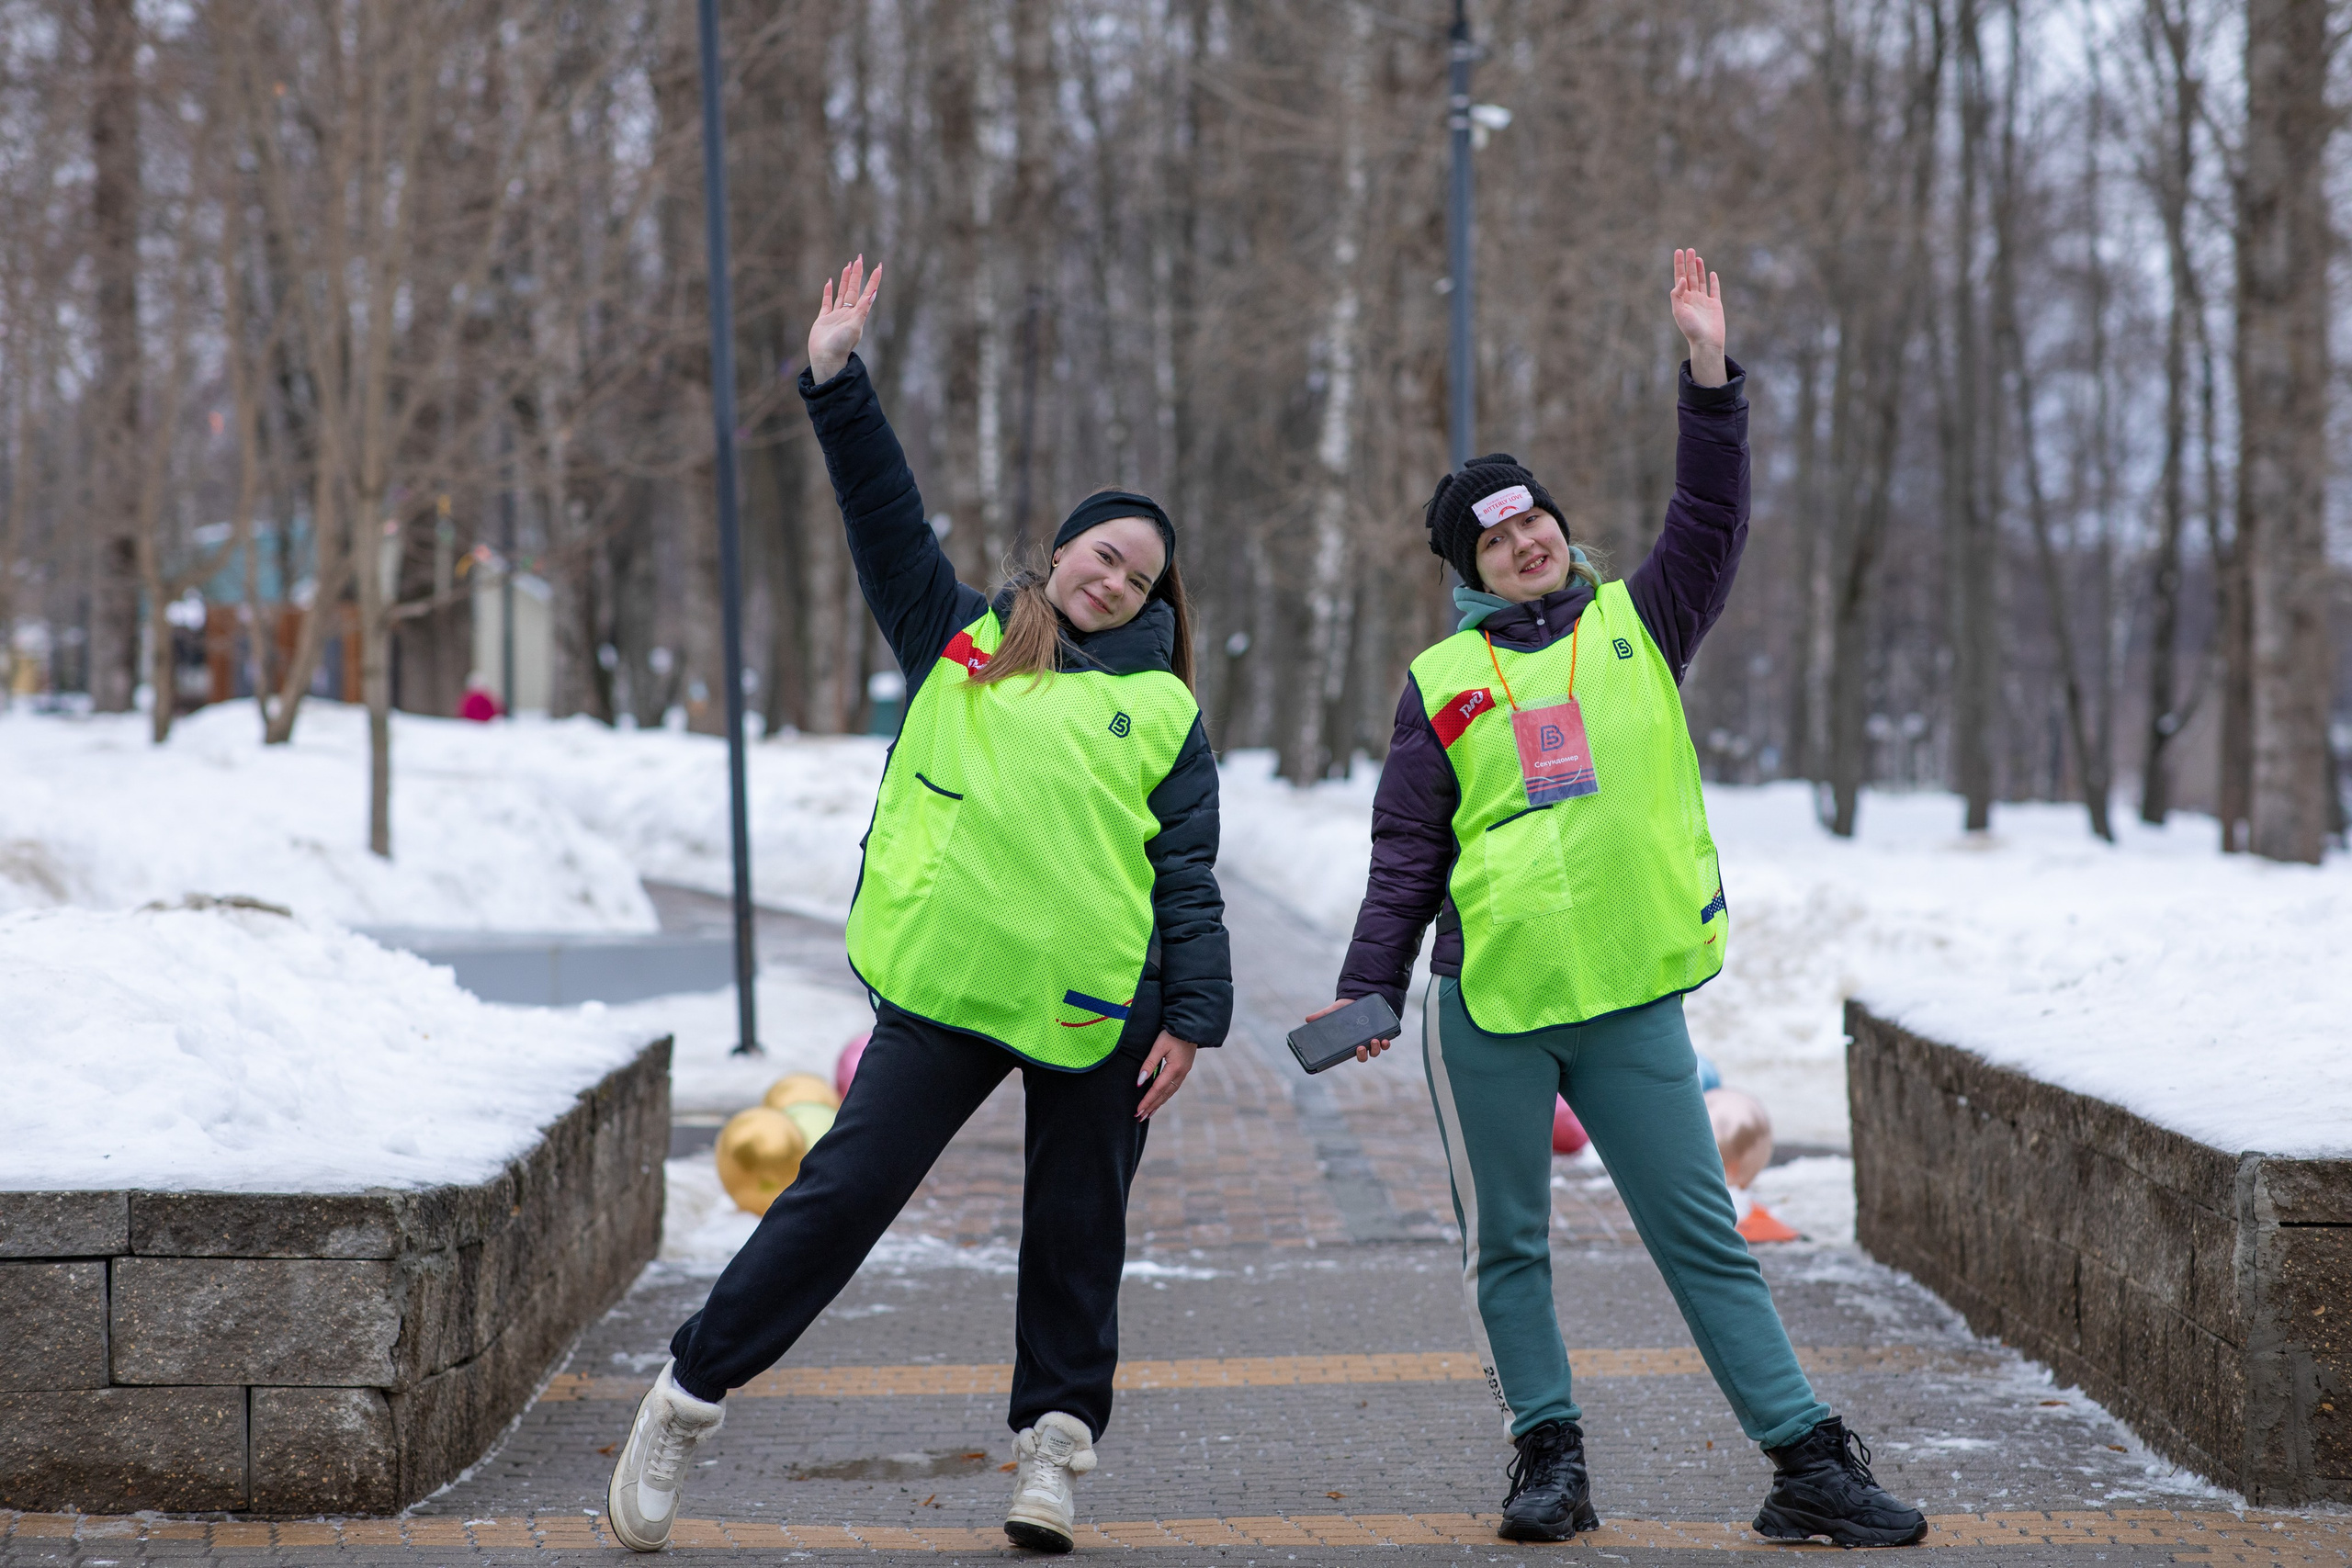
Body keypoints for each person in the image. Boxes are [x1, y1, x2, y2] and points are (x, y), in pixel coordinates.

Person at [605, 258, 1231, 1556]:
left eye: (1140, 579)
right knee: (837, 1200)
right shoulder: (957, 639)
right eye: (1103, 555)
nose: (1113, 582)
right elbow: (883, 516)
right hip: (949, 982)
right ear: (1060, 551)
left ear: (1157, 606)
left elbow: (1184, 873)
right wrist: (838, 379)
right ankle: (686, 1398)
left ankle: (1053, 1454)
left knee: (1075, 1234)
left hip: (1102, 1005)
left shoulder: (1163, 710)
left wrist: (1195, 1017)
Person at [1306, 250, 1927, 1550]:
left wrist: (1709, 375)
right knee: (1509, 1248)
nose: (1526, 539)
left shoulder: (1643, 622)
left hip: (1634, 997)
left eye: (1535, 519)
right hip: (1494, 1004)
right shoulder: (1442, 679)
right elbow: (1407, 848)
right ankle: (1549, 1461)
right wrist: (1372, 982)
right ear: (1468, 562)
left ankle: (1806, 1460)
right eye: (1496, 533)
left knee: (1702, 1235)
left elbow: (1713, 517)